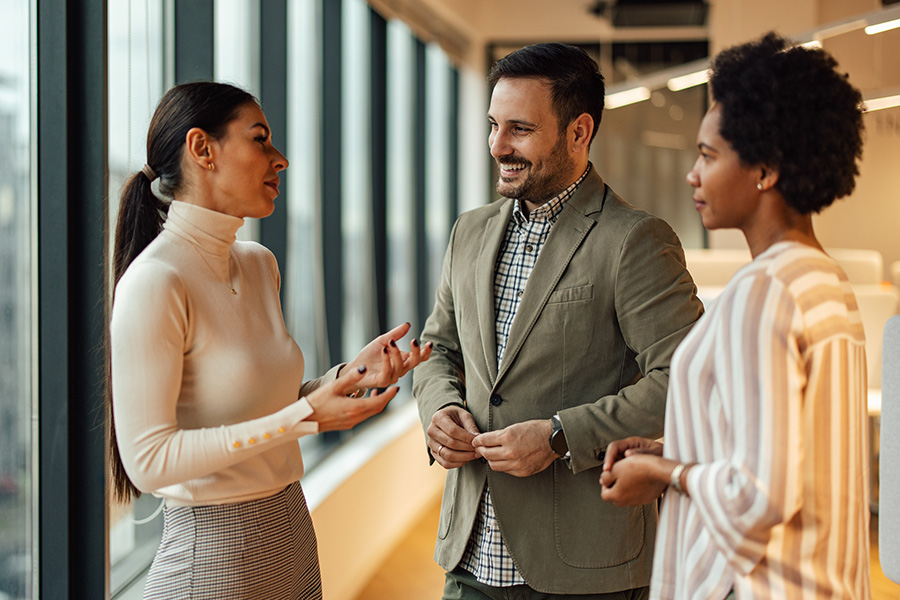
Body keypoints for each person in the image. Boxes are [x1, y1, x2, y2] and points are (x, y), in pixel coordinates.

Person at [107, 81, 431, 600]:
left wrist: (344, 379)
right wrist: (305, 419)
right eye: (260, 139)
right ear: (202, 149)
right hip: (212, 562)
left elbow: (264, 406)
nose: (280, 160)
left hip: (291, 534)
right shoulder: (155, 282)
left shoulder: (259, 265)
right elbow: (148, 461)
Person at [413, 43, 704, 599]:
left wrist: (559, 435)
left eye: (519, 129)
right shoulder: (468, 232)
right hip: (469, 557)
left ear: (578, 132)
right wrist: (440, 409)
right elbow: (438, 349)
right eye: (494, 125)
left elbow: (686, 379)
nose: (498, 146)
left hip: (585, 568)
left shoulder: (634, 240)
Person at [599, 33, 870, 599]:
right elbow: (789, 450)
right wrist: (677, 451)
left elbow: (760, 495)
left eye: (707, 155)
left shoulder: (764, 290)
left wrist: (663, 474)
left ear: (765, 169)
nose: (693, 175)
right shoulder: (823, 280)